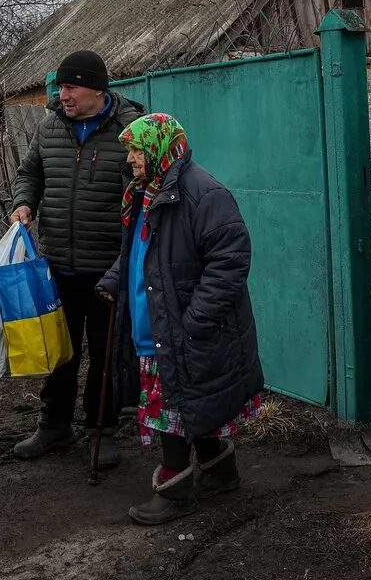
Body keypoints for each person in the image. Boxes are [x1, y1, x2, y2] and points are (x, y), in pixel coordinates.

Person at [97, 113, 263, 525]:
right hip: (156, 322)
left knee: (171, 407)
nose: (131, 158)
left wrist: (195, 320)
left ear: (159, 147)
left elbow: (230, 261)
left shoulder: (202, 194)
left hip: (180, 327)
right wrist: (115, 280)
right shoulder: (146, 192)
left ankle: (175, 491)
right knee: (192, 403)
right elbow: (140, 252)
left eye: (136, 149)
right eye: (130, 150)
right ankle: (221, 472)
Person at [9, 50, 145, 468]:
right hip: (58, 264)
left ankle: (102, 430)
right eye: (61, 87)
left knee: (106, 352)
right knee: (60, 349)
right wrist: (24, 203)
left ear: (96, 88)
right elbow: (29, 172)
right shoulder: (50, 128)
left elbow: (145, 188)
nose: (61, 95)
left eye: (71, 87)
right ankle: (54, 426)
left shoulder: (129, 129)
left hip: (107, 267)